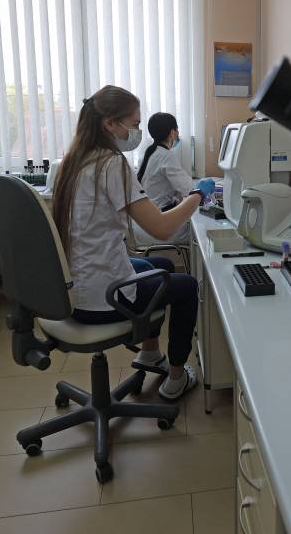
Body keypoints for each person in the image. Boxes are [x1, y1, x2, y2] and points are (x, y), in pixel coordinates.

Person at [52, 86, 215, 400]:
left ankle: (150, 353)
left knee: (162, 265)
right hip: (103, 299)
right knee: (186, 286)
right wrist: (198, 195)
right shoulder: (110, 164)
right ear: (111, 124)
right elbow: (163, 228)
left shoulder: (74, 161)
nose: (138, 131)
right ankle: (178, 376)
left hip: (74, 287)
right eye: (135, 124)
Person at [135, 112, 193, 244]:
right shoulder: (166, 155)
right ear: (172, 132)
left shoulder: (150, 151)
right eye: (177, 130)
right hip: (156, 225)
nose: (178, 134)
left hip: (144, 223)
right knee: (199, 233)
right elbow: (189, 189)